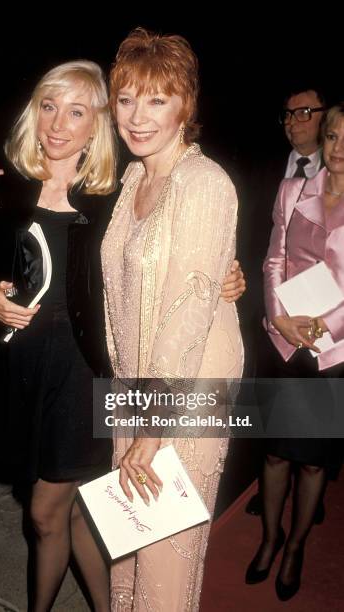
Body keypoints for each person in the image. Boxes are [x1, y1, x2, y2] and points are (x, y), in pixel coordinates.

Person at [0, 58, 245, 611]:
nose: (59, 122)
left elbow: (183, 277)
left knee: (119, 536)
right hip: (70, 378)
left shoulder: (133, 188)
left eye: (77, 110)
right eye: (49, 106)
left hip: (123, 384)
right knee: (110, 532)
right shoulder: (29, 189)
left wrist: (226, 278)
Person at [101, 29, 243, 610]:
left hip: (187, 391)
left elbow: (186, 315)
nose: (138, 115)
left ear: (187, 104)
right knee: (130, 545)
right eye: (127, 98)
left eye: (157, 99)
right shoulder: (137, 175)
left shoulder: (204, 184)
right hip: (137, 384)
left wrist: (151, 425)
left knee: (164, 557)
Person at [245, 103, 344, 601]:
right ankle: (269, 538)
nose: (338, 148)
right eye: (332, 137)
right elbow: (272, 260)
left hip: (334, 353)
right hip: (284, 343)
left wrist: (323, 326)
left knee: (312, 462)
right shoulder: (292, 189)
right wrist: (280, 318)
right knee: (275, 454)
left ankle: (295, 546)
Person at [244, 87, 327, 518]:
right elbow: (256, 241)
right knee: (272, 420)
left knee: (316, 433)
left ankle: (312, 494)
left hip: (328, 327)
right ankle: (270, 491)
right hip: (272, 316)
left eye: (305, 112)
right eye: (288, 114)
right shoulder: (266, 171)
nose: (294, 122)